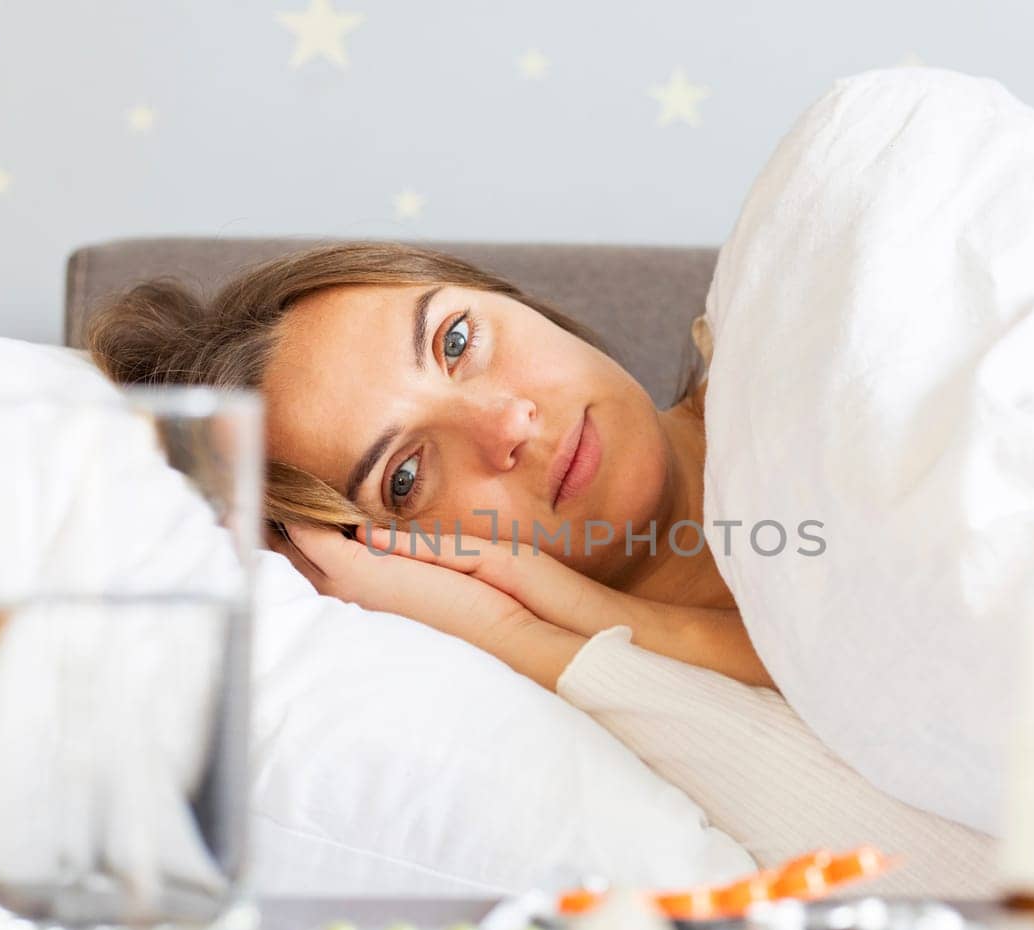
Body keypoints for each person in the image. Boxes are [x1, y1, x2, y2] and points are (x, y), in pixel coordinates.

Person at [89, 242, 773, 691]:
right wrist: (522, 628)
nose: (504, 424)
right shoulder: (573, 733)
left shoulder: (803, 334)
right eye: (406, 477)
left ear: (509, 297)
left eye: (456, 339)